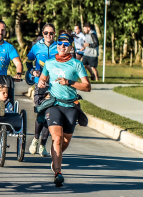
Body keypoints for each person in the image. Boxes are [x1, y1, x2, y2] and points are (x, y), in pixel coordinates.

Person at [37, 33, 91, 187]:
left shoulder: (76, 64)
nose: (62, 46)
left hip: (71, 106)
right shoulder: (49, 63)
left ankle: (56, 157)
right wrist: (41, 84)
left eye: (65, 44)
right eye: (60, 43)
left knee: (65, 141)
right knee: (57, 138)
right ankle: (58, 172)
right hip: (54, 104)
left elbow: (87, 86)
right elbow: (43, 79)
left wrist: (70, 82)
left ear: (70, 47)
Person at [26, 23, 58, 157]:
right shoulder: (36, 47)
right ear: (42, 33)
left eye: (51, 33)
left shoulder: (59, 47)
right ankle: (35, 139)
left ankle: (43, 145)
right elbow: (28, 61)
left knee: (49, 116)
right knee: (41, 112)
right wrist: (33, 71)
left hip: (55, 86)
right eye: (46, 33)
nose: (48, 35)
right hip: (40, 84)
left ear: (54, 34)